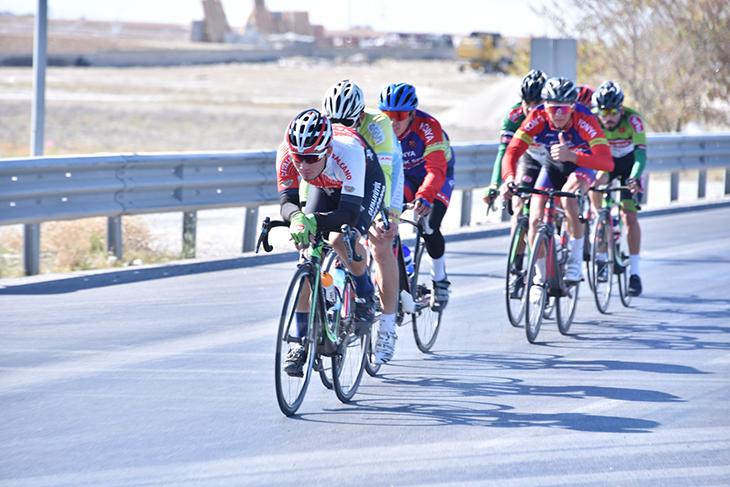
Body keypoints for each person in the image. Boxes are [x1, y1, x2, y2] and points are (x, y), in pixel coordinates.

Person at [276, 108, 386, 376]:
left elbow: (347, 213)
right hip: (324, 183)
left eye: (311, 158)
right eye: (298, 158)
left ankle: (365, 295)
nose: (303, 166)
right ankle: (300, 340)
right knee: (306, 251)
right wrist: (299, 219)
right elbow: (287, 202)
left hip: (364, 183)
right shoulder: (288, 152)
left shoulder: (348, 151)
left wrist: (312, 221)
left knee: (341, 238)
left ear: (326, 150)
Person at [500, 77, 614, 290]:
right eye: (554, 109)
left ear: (573, 107)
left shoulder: (585, 119)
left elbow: (606, 162)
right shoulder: (537, 116)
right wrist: (508, 178)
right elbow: (512, 152)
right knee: (534, 218)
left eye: (564, 109)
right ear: (545, 107)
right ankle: (540, 278)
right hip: (552, 165)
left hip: (581, 164)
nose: (559, 114)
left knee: (569, 197)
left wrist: (572, 156)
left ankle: (575, 262)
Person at [322, 79, 404, 364]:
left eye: (347, 122)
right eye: (334, 122)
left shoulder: (377, 125)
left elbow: (384, 175)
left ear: (359, 116)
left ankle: (388, 328)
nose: (341, 127)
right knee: (326, 236)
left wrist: (387, 215)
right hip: (344, 176)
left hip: (381, 174)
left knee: (381, 240)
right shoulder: (325, 128)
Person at [379, 82, 455, 312]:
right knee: (383, 218)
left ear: (412, 114)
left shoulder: (429, 127)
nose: (393, 122)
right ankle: (404, 260)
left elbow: (436, 170)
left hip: (435, 176)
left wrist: (425, 196)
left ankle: (439, 279)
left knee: (428, 224)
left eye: (400, 116)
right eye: (388, 115)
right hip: (404, 178)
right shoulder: (378, 127)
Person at [483, 69, 548, 298]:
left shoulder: (551, 115)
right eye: (527, 102)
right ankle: (516, 270)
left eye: (537, 103)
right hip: (528, 161)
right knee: (519, 210)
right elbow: (504, 152)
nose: (531, 108)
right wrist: (495, 184)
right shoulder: (514, 116)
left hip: (552, 162)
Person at [589, 80, 646, 296]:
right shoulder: (593, 121)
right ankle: (600, 222)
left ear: (621, 109)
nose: (608, 117)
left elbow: (641, 155)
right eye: (603, 112)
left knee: (629, 216)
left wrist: (634, 177)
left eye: (613, 112)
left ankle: (635, 273)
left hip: (629, 165)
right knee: (594, 185)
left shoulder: (633, 120)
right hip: (607, 163)